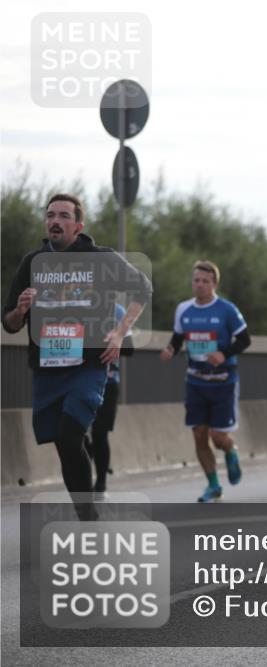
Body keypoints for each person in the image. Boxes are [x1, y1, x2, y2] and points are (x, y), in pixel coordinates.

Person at [3, 194, 151, 520]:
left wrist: (119, 331)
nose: (55, 221)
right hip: (47, 368)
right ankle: (85, 509)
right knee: (64, 443)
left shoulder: (101, 259)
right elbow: (10, 324)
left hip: (89, 365)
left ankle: (87, 516)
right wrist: (21, 309)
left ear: (78, 225)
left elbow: (142, 289)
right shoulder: (33, 262)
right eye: (50, 215)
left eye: (64, 216)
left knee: (71, 434)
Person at [161, 261, 250, 502]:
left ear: (214, 284)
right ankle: (213, 485)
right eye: (196, 280)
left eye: (205, 281)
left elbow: (244, 340)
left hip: (223, 381)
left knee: (218, 438)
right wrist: (170, 349)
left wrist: (224, 354)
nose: (199, 285)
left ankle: (230, 451)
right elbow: (178, 338)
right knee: (199, 434)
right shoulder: (184, 310)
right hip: (196, 382)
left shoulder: (227, 310)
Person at [83, 303, 134, 500]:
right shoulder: (75, 306)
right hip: (78, 382)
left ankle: (101, 482)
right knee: (76, 434)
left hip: (108, 381)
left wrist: (115, 340)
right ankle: (85, 477)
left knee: (99, 433)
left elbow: (130, 350)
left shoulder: (118, 312)